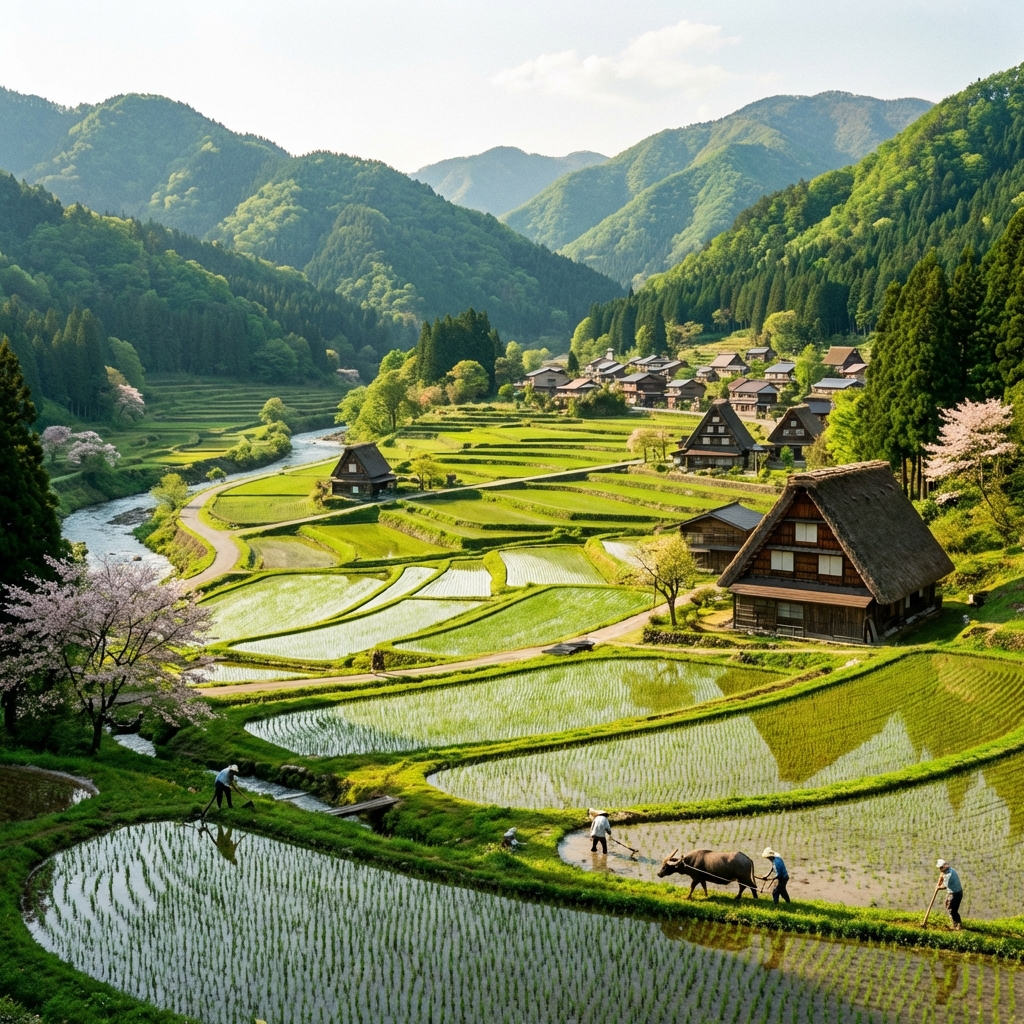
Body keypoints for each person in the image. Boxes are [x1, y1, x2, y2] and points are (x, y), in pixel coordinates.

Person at [936, 859, 963, 930]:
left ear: (944, 867)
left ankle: (957, 925)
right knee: (947, 904)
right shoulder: (948, 870)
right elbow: (942, 875)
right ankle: (955, 922)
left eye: (940, 868)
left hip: (955, 894)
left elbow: (944, 886)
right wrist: (940, 879)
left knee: (952, 910)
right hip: (953, 892)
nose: (940, 870)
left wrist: (938, 887)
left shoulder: (948, 874)